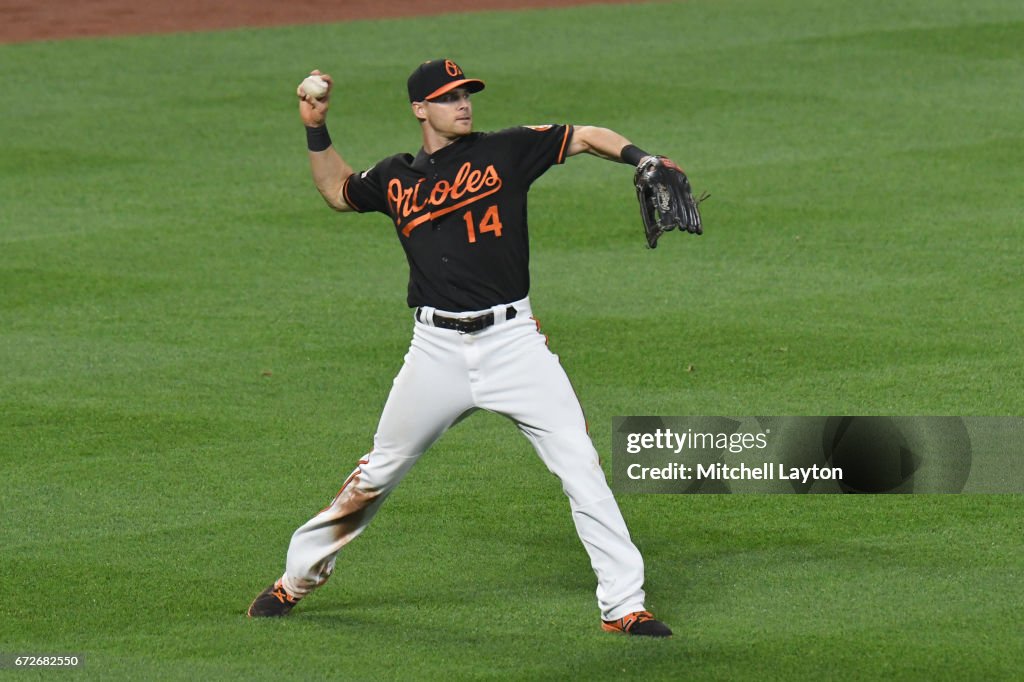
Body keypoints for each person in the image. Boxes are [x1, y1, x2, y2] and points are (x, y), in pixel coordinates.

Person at [248, 59, 673, 637]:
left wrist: (641, 157)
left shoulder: (506, 151)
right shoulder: (396, 176)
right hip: (434, 352)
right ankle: (294, 580)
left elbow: (586, 136)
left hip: (513, 343)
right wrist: (315, 125)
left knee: (581, 466)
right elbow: (337, 191)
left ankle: (624, 606)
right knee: (377, 475)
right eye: (448, 97)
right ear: (420, 109)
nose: (463, 103)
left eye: (466, 93)